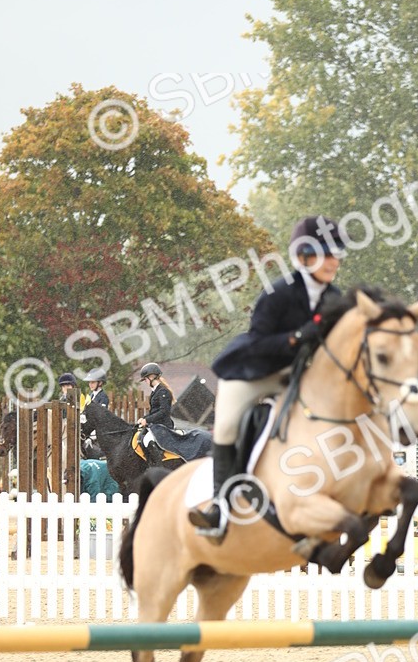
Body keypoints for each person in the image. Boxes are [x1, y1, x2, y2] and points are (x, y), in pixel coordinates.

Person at [189, 214, 346, 540]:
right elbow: (258, 342)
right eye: (326, 253)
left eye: (336, 254)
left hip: (301, 374)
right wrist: (296, 337)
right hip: (257, 369)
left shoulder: (336, 299)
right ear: (304, 256)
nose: (334, 261)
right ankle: (219, 508)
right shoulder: (278, 294)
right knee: (227, 423)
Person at [137, 363, 174, 429]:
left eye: (145, 379)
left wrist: (147, 420)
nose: (145, 381)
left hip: (164, 427)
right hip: (155, 426)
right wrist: (143, 418)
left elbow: (163, 412)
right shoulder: (155, 392)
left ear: (151, 377)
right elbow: (154, 411)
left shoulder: (163, 392)